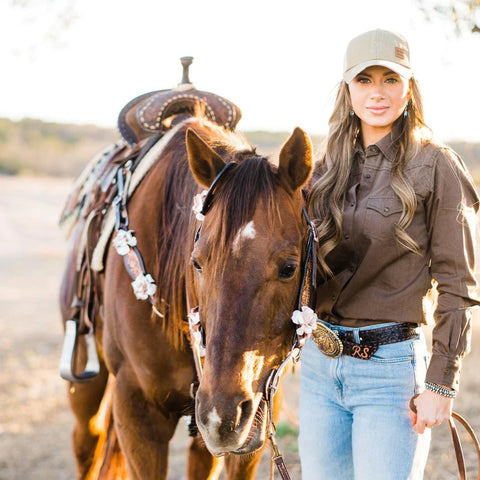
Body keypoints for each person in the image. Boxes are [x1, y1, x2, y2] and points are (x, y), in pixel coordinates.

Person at [300, 28, 480, 480]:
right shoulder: (323, 169)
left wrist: (441, 382)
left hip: (390, 372)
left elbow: (460, 283)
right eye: (364, 80)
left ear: (409, 88)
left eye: (390, 80)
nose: (377, 93)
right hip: (321, 370)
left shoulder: (436, 164)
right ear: (347, 88)